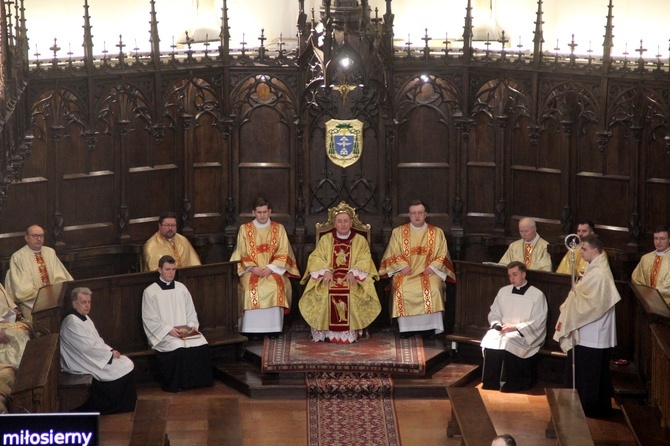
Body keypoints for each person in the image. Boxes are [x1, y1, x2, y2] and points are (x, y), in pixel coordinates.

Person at [554, 235, 620, 417]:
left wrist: (574, 297)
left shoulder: (599, 273)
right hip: (590, 332)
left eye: (583, 249)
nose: (580, 252)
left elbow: (591, 302)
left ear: (595, 250)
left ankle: (590, 407)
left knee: (591, 372)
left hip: (593, 333)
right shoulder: (596, 267)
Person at [298, 203, 380, 343]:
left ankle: (352, 331)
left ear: (351, 222)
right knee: (322, 292)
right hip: (329, 276)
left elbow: (365, 258)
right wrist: (325, 271)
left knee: (354, 292)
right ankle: (326, 333)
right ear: (334, 224)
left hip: (352, 278)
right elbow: (316, 257)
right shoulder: (326, 239)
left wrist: (353, 272)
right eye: (339, 221)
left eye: (346, 221)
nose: (343, 224)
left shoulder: (360, 240)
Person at [379, 199, 456, 338]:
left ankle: (431, 328)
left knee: (433, 289)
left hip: (429, 273)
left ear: (425, 214)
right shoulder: (398, 232)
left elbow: (443, 254)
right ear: (409, 215)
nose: (417, 216)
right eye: (414, 213)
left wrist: (433, 267)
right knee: (402, 288)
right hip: (406, 273)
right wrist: (401, 266)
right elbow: (393, 252)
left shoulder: (437, 232)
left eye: (420, 212)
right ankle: (406, 329)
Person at [230, 198, 300, 336]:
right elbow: (241, 252)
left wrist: (271, 268)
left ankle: (274, 329)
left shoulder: (279, 228)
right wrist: (252, 268)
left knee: (276, 286)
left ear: (270, 211)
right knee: (250, 288)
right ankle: (250, 330)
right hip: (250, 271)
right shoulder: (245, 229)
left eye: (265, 212)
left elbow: (284, 251)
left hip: (273, 270)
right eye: (259, 212)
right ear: (253, 212)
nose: (262, 215)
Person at [60, 287, 137, 414]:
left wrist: (111, 351)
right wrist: (109, 355)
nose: (87, 305)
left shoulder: (83, 317)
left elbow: (97, 341)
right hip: (81, 361)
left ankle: (126, 403)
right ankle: (116, 405)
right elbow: (87, 347)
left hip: (92, 357)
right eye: (83, 302)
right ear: (74, 303)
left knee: (125, 362)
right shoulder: (72, 322)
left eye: (89, 302)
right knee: (123, 366)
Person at [142, 255, 212, 392]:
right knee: (177, 345)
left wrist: (191, 327)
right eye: (167, 269)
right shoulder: (150, 292)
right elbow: (149, 318)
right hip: (165, 334)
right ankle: (180, 383)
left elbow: (191, 312)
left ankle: (198, 382)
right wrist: (168, 330)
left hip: (185, 331)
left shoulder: (181, 288)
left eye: (173, 269)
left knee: (201, 342)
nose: (171, 273)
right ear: (159, 270)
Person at [481, 261, 548, 392]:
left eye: (515, 274)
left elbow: (538, 320)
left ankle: (510, 383)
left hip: (522, 333)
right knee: (490, 338)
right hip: (503, 329)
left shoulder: (537, 295)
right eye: (509, 275)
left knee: (508, 341)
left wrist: (516, 327)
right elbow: (494, 312)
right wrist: (497, 324)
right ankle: (491, 382)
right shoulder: (503, 291)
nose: (512, 278)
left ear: (523, 274)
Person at [5, 225, 73, 320]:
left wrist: (54, 298)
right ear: (27, 238)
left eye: (41, 236)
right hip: (31, 306)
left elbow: (60, 277)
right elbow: (22, 289)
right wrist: (42, 302)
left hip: (54, 304)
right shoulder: (18, 257)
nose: (39, 239)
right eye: (35, 236)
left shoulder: (50, 252)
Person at [631, 225, 670, 303]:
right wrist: (646, 295)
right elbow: (636, 279)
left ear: (669, 240)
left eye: (662, 238)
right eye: (656, 238)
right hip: (647, 303)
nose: (658, 242)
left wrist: (652, 293)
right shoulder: (646, 258)